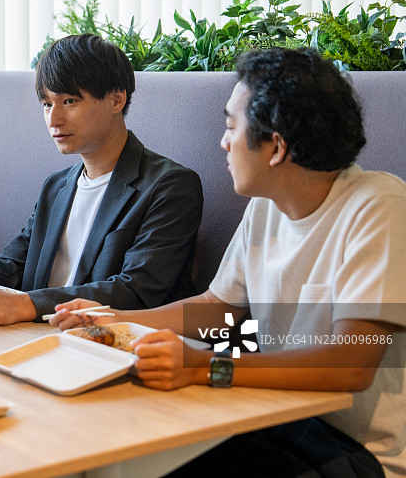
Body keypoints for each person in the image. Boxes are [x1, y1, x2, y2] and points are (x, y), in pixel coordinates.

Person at [50, 48, 406, 477]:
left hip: (353, 452)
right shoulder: (266, 206)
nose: (222, 142)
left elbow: (350, 364)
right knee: (112, 448)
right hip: (270, 416)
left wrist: (205, 367)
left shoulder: (379, 205)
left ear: (275, 147)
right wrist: (113, 319)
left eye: (231, 128)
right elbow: (218, 310)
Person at [0, 33, 203, 325]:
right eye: (47, 104)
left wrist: (28, 304)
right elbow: (14, 268)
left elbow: (136, 291)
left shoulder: (170, 186)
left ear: (116, 100)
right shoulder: (57, 187)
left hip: (104, 346)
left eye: (69, 101)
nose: (53, 119)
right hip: (30, 334)